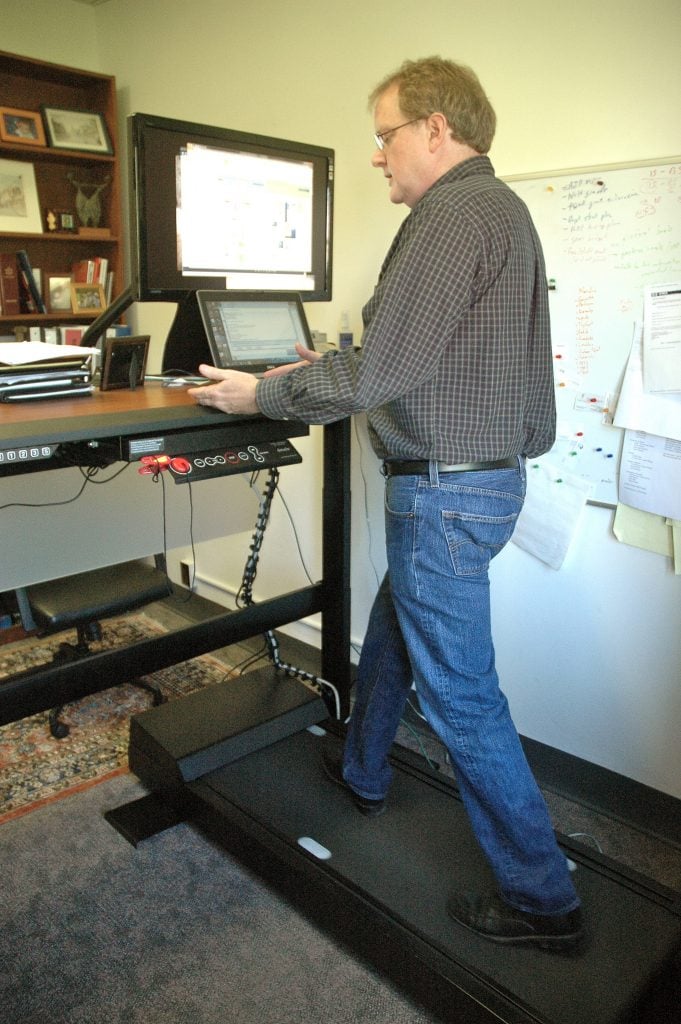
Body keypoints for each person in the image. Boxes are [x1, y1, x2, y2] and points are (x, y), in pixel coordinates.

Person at [188, 56, 583, 952]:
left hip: (442, 495)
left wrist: (265, 397)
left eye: (385, 134)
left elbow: (384, 368)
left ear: (435, 130)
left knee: (461, 696)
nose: (378, 156)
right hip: (483, 482)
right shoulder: (504, 210)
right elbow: (447, 356)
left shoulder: (449, 214)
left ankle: (542, 898)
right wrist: (311, 374)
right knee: (394, 626)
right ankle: (365, 768)